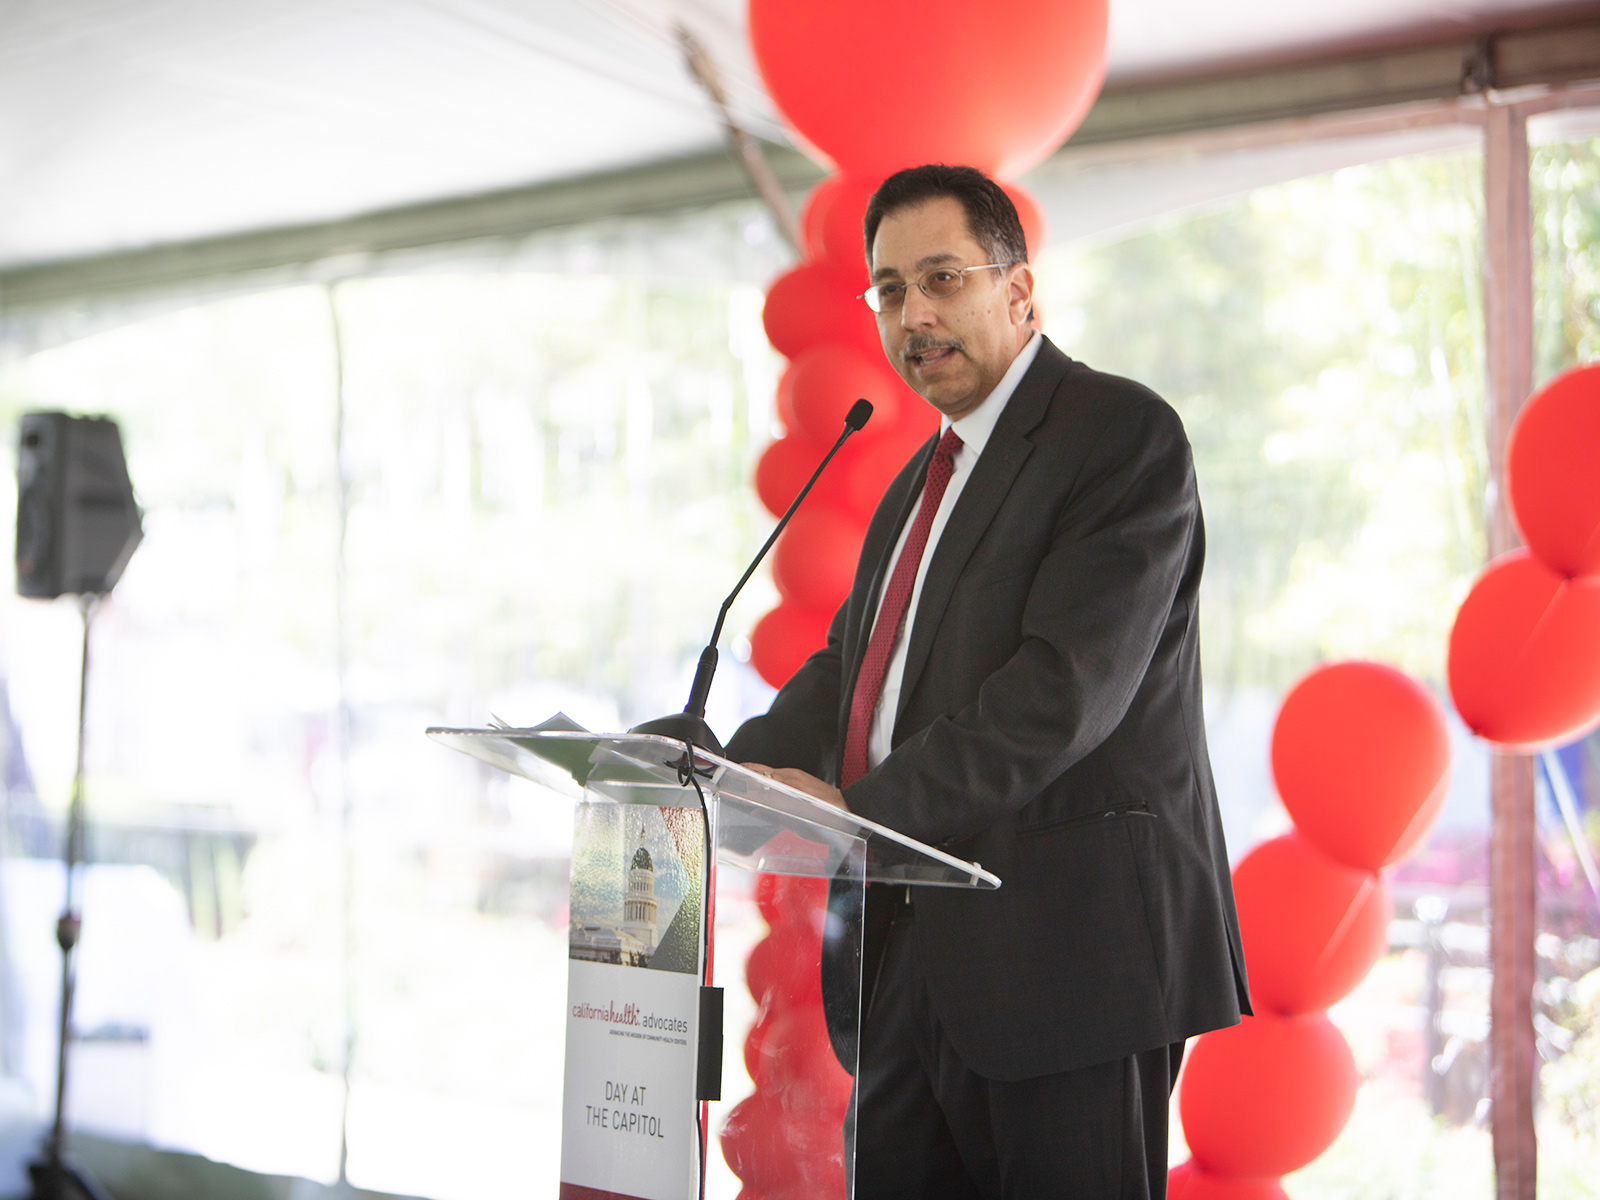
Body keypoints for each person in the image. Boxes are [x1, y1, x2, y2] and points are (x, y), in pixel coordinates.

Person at [726, 164, 1250, 1199]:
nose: (913, 313)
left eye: (941, 278)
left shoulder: (1118, 438)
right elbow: (851, 675)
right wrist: (721, 773)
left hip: (1066, 969)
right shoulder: (914, 486)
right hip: (906, 963)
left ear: (1018, 291)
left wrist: (861, 815)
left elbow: (1060, 692)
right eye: (888, 290)